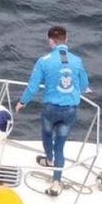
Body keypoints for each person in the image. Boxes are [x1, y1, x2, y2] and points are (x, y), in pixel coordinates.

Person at [16, 24, 90, 180]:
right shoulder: (77, 61)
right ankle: (56, 182)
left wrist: (22, 102)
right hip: (70, 110)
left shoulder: (44, 61)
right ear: (66, 40)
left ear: (50, 41)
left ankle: (49, 159)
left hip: (51, 110)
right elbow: (84, 85)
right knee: (60, 146)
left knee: (47, 134)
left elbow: (33, 86)